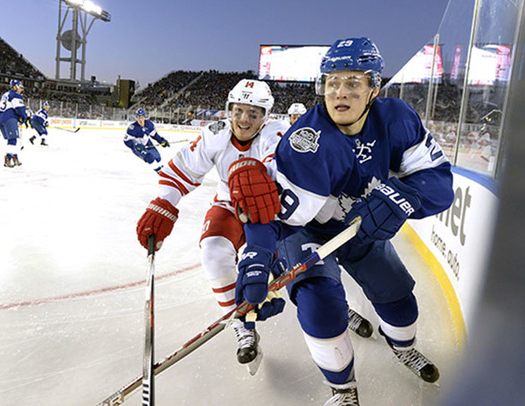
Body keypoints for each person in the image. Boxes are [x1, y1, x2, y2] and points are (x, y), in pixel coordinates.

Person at [229, 38, 454, 405]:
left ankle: (403, 347)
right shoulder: (307, 141)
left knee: (399, 299)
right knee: (321, 307)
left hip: (362, 227)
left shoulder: (397, 119)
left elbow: (439, 181)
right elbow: (275, 213)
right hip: (308, 231)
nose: (340, 93)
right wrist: (258, 256)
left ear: (374, 88)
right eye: (332, 82)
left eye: (353, 83)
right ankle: (343, 388)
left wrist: (405, 198)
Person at [135, 79, 288, 370]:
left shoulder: (276, 133)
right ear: (229, 110)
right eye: (238, 111)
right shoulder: (215, 134)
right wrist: (165, 202)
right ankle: (242, 326)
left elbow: (278, 168)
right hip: (229, 204)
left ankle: (339, 308)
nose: (243, 120)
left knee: (294, 271)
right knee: (213, 252)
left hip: (268, 212)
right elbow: (183, 169)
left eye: (253, 113)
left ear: (265, 116)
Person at [123, 108, 170, 173]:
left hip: (147, 143)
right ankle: (159, 171)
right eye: (138, 117)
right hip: (138, 147)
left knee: (158, 157)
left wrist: (161, 141)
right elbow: (126, 141)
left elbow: (154, 135)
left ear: (144, 117)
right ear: (136, 118)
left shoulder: (149, 124)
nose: (140, 119)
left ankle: (161, 168)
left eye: (142, 117)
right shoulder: (132, 128)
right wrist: (135, 145)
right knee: (149, 157)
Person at [0, 79, 27, 168]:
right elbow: (19, 108)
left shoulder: (5, 95)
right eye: (20, 87)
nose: (21, 90)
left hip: (0, 118)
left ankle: (15, 157)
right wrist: (23, 117)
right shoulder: (15, 95)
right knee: (13, 139)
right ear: (15, 87)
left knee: (11, 139)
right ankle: (8, 158)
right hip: (9, 117)